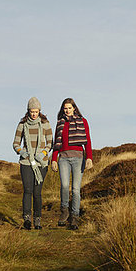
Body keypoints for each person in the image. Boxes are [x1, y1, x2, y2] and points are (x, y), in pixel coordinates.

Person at [51, 98, 93, 230]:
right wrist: (53, 159)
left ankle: (75, 216)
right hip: (63, 158)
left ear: (74, 108)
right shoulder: (60, 123)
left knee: (75, 189)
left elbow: (88, 141)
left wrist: (89, 158)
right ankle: (64, 212)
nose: (67, 110)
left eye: (69, 108)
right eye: (65, 108)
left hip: (78, 158)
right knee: (64, 186)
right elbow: (56, 143)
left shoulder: (83, 121)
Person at [13, 97, 53, 230]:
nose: (34, 114)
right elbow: (16, 144)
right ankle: (27, 219)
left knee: (37, 192)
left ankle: (37, 220)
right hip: (26, 162)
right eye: (32, 111)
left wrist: (43, 154)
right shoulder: (22, 125)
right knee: (28, 191)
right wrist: (23, 153)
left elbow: (50, 143)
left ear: (39, 111)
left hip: (41, 163)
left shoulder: (45, 124)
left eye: (36, 111)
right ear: (28, 111)